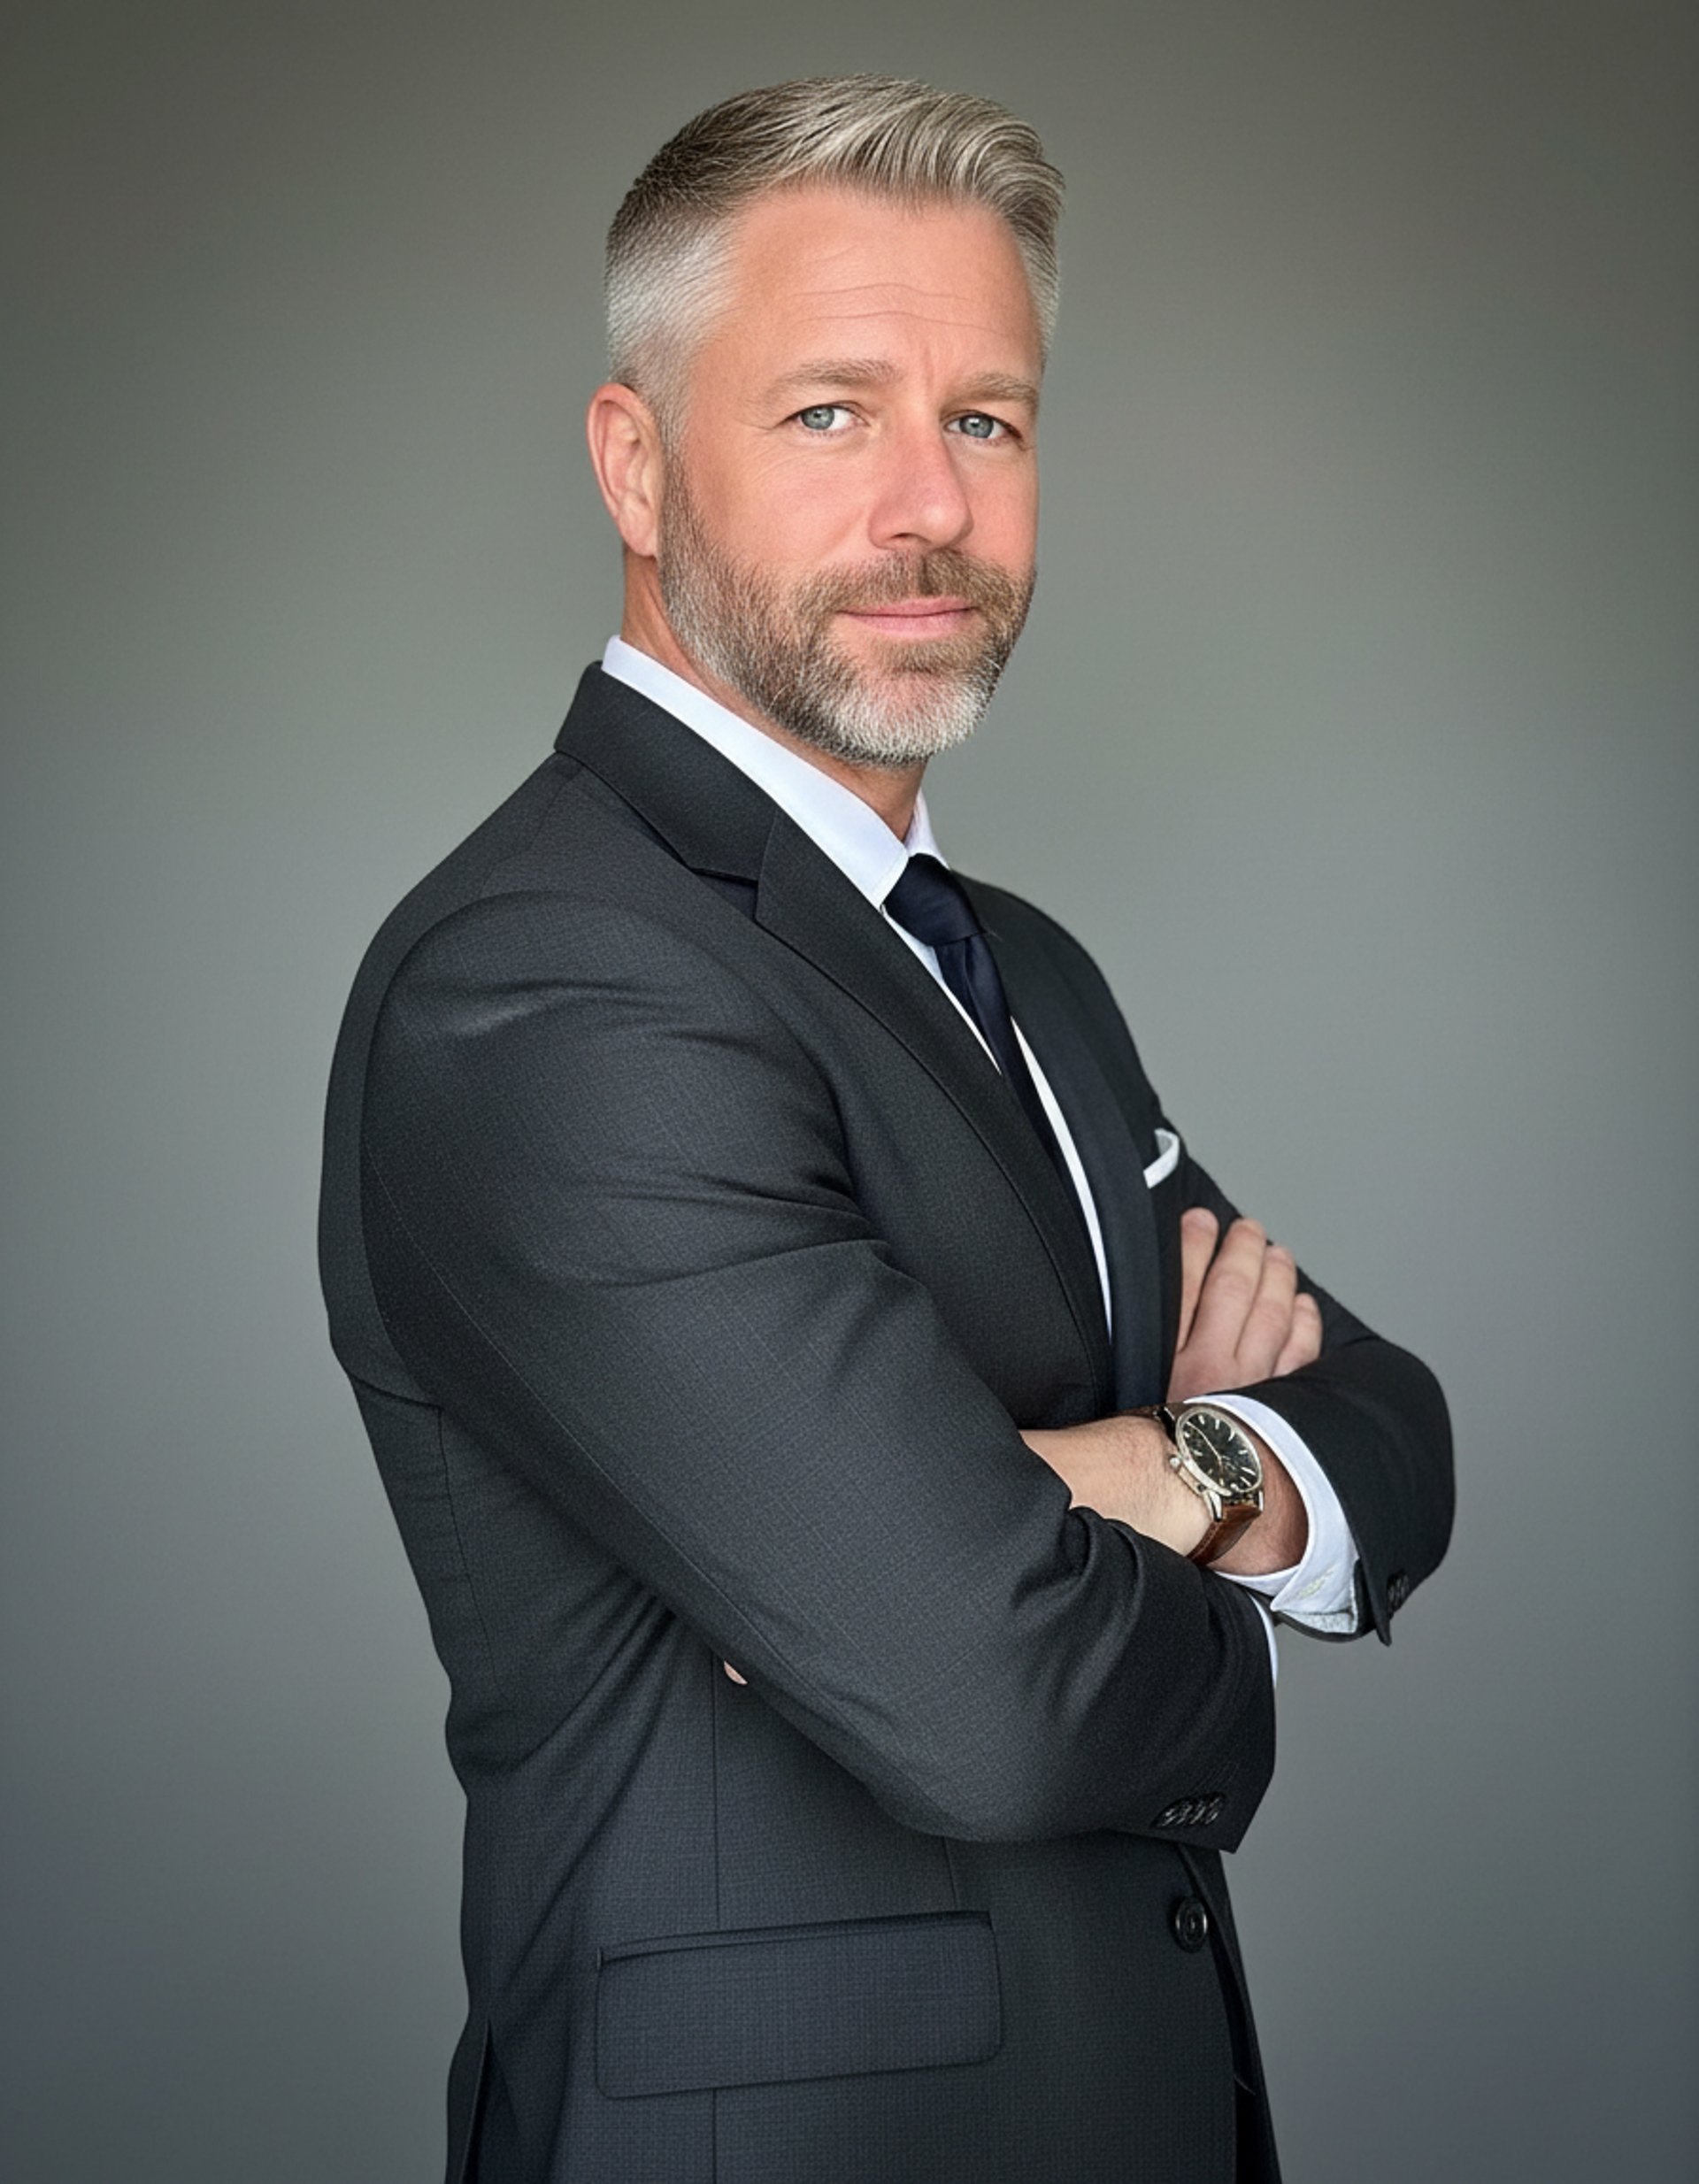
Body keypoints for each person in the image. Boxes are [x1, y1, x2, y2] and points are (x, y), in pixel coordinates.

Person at [319, 74, 1453, 2184]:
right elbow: (988, 1689)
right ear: (635, 464)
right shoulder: (549, 983)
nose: (930, 503)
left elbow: (1392, 1422)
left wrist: (1142, 1473)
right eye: (831, 412)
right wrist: (1178, 1512)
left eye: (988, 420)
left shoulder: (1025, 966)